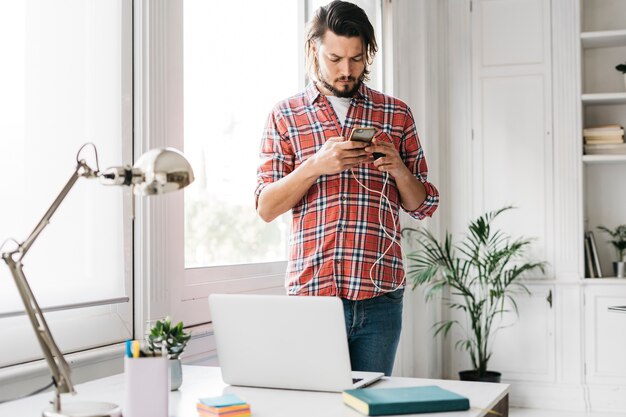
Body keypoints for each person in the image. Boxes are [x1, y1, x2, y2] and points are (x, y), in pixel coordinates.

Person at [254, 0, 439, 376]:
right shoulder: (285, 115)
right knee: (316, 408)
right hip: (313, 297)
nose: (346, 70)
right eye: (335, 58)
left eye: (357, 59)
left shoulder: (396, 113)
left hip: (380, 298)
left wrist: (398, 169)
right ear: (313, 50)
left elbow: (424, 206)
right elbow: (266, 207)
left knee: (368, 408)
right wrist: (315, 166)